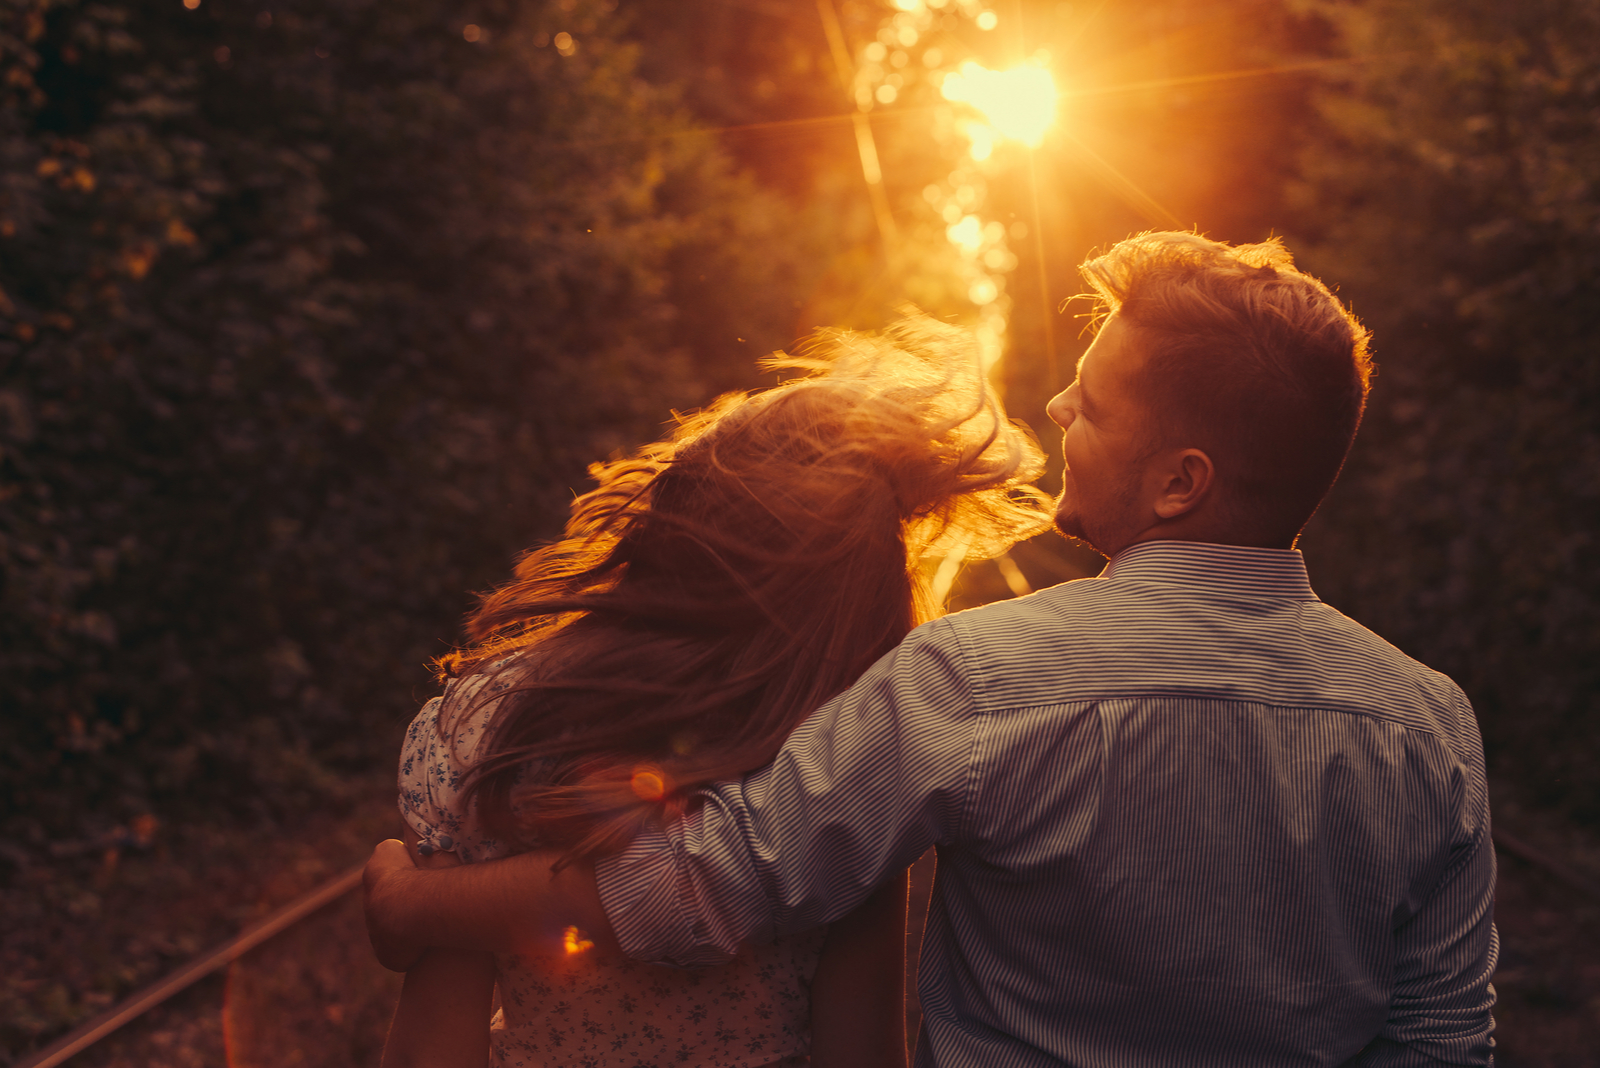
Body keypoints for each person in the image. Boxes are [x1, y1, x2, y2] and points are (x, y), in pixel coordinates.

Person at [367, 232, 1499, 1066]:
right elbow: (1442, 1040)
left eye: (1093, 404)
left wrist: (422, 911)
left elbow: (704, 882)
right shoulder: (1428, 722)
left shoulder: (977, 679)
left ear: (1179, 480)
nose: (1056, 405)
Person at [373, 317, 1053, 1068]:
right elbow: (857, 1050)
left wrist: (409, 902)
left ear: (675, 522)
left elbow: (434, 1041)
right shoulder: (841, 762)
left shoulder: (487, 728)